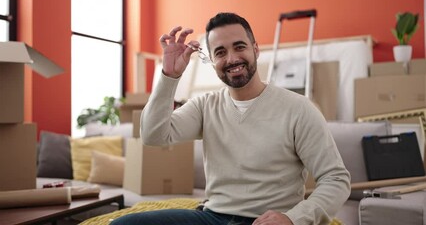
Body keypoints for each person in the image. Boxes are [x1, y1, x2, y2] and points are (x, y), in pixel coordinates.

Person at [111, 12, 350, 225]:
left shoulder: (299, 108)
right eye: (221, 52)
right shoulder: (206, 106)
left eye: (239, 47)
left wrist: (293, 218)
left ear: (255, 49)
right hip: (212, 217)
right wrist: (169, 76)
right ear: (213, 62)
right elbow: (153, 135)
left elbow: (335, 179)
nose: (232, 58)